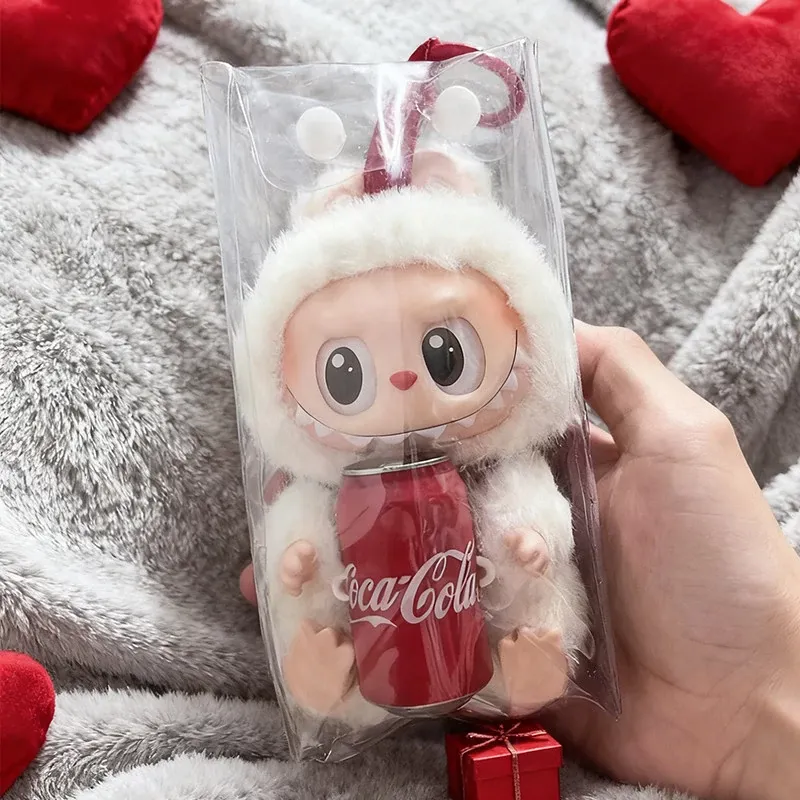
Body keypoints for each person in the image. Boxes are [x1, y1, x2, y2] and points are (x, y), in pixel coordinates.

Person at [239, 322, 800, 800]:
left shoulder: (488, 469)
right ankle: (328, 681)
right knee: (323, 614)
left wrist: (533, 535)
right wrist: (301, 558)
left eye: (443, 352)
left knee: (532, 611)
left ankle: (534, 674)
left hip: (512, 659)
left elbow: (526, 505)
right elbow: (303, 532)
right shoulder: (343, 487)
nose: (403, 379)